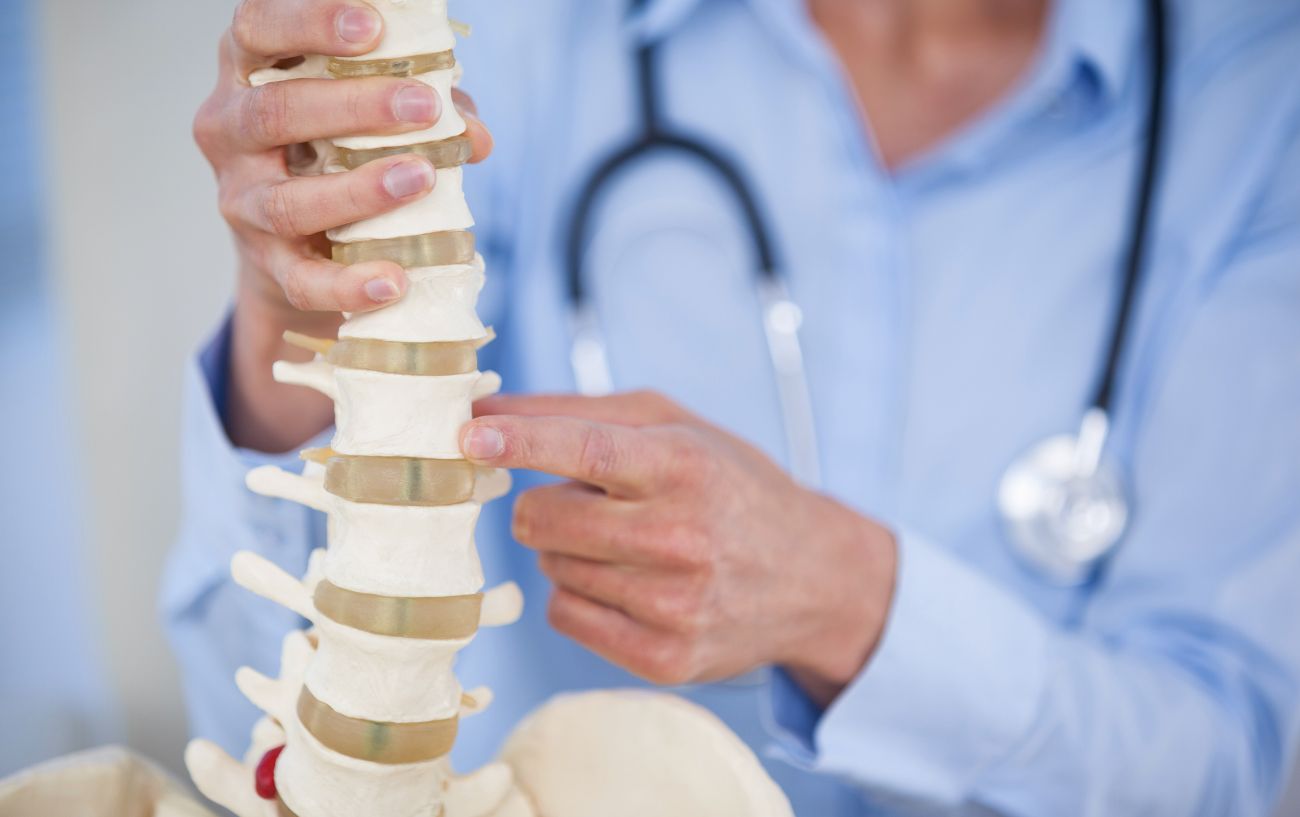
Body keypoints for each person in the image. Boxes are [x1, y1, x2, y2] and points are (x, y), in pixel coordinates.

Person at [162, 0, 1300, 814]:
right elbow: (262, 724)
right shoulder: (514, 37)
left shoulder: (1258, 107)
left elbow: (1219, 767)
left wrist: (845, 598)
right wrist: (295, 308)